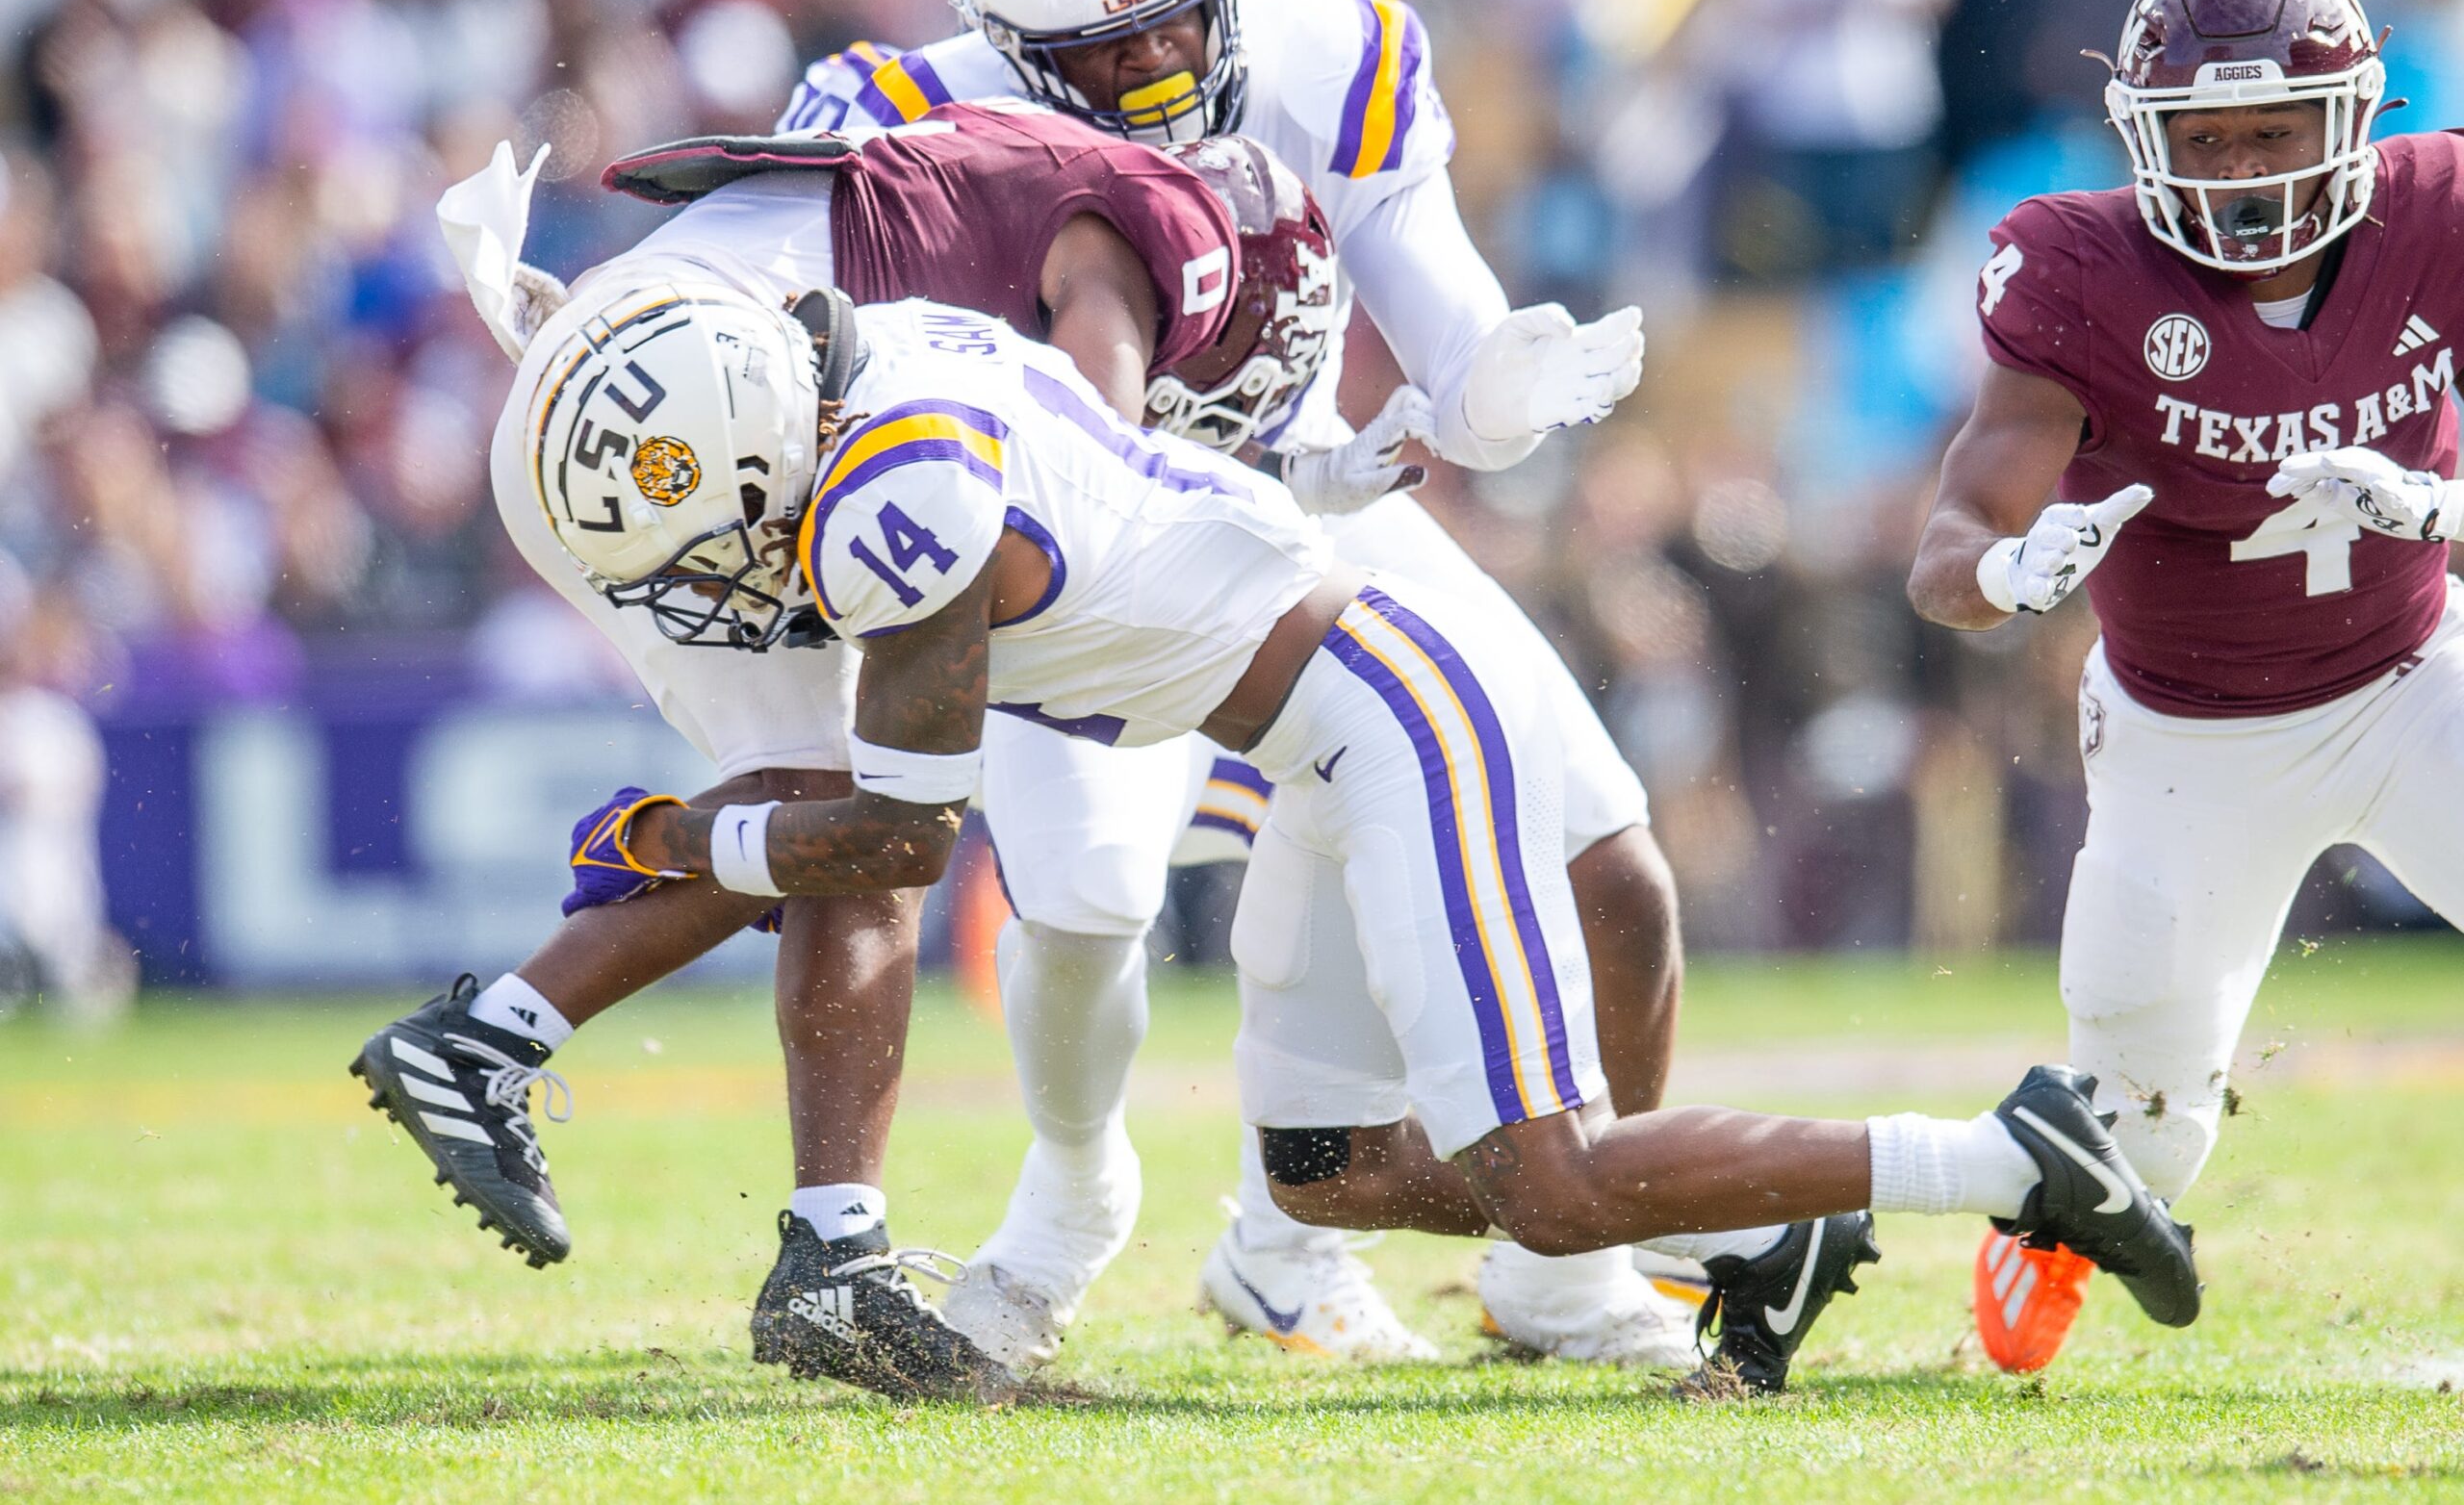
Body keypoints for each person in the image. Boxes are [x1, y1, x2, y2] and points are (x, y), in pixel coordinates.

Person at [533, 270, 2200, 1397]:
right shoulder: (887, 348)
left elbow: (897, 844)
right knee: (1322, 1174)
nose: (708, 576)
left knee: (1549, 1184)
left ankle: (2006, 1154)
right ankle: (1760, 1225)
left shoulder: (900, 501)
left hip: (1384, 708)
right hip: (1319, 731)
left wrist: (681, 844)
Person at [782, 0, 1686, 1370]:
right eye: (1101, 56)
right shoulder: (906, 119)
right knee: (1087, 907)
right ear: (1003, 41)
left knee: (1611, 859)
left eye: (1173, 33)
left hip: (1299, 493)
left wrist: (1495, 387)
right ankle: (1075, 1191)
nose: (1151, 81)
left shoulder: (1330, 55)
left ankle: (1534, 1272)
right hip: (1075, 554)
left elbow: (1445, 329)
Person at [356, 100, 1333, 1404]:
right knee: (867, 811)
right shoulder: (1126, 243)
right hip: (696, 425)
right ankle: (527, 1061)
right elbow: (1095, 482)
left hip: (615, 389)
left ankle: (795, 1222)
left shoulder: (1000, 134)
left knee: (851, 803)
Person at [1908, 0, 2464, 1372]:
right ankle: (2049, 1230)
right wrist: (2008, 571)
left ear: (2355, 114)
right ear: (2143, 141)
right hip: (2188, 736)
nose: (2246, 171)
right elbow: (1948, 539)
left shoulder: (2444, 211)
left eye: (2276, 128)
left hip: (2416, 674)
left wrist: (2445, 508)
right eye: (2204, 139)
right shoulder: (2078, 265)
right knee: (2142, 1130)